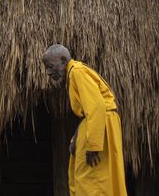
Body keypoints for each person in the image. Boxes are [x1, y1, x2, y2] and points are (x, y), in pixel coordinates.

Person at [43, 44, 128, 196]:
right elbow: (88, 111)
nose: (48, 72)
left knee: (92, 179)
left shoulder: (77, 71)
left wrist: (93, 146)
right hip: (96, 123)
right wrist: (76, 138)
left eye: (50, 66)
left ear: (63, 61)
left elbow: (96, 107)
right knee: (88, 177)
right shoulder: (74, 73)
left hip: (101, 125)